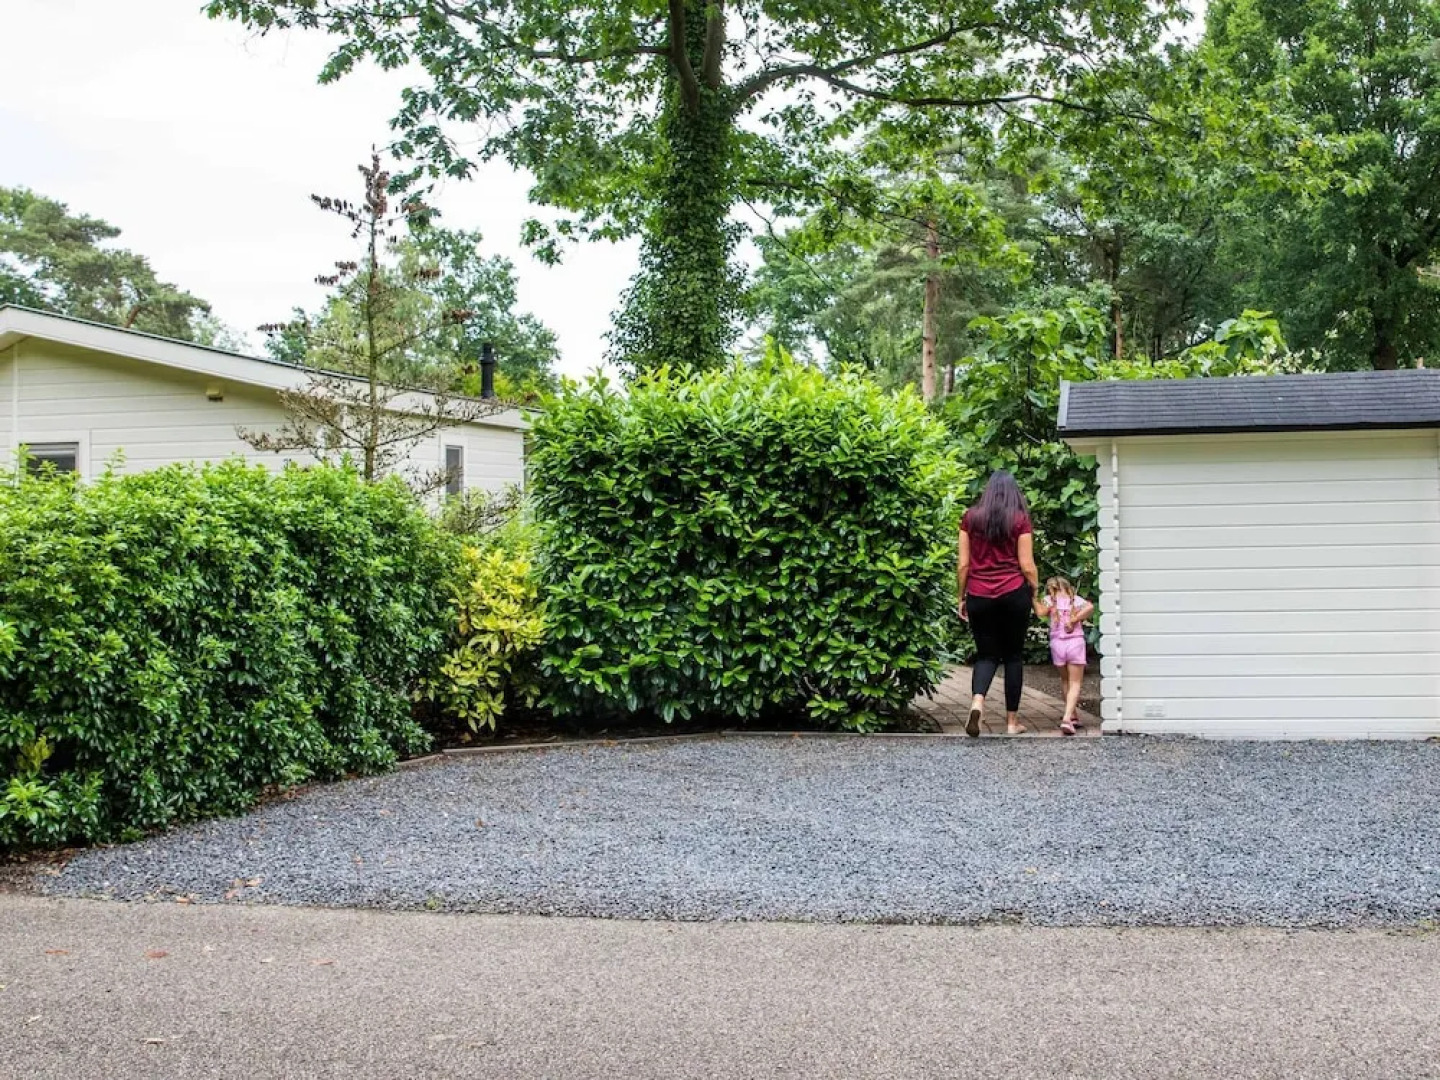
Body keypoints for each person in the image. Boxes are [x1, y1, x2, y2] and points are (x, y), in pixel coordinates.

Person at [957, 470, 1046, 737]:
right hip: (1013, 593)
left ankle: (977, 702)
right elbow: (1027, 566)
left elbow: (963, 564)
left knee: (986, 655)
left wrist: (961, 596)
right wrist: (1034, 591)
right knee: (1013, 656)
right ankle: (1011, 723)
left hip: (979, 594)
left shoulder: (970, 518)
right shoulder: (1020, 520)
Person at [1040, 576, 1094, 736]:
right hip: (1075, 643)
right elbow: (1090, 607)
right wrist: (1075, 619)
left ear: (1050, 588)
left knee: (1065, 680)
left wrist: (1032, 598)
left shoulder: (1049, 600)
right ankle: (1066, 719)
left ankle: (1073, 715)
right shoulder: (1075, 600)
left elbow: (1041, 612)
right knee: (1075, 682)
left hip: (1057, 645)